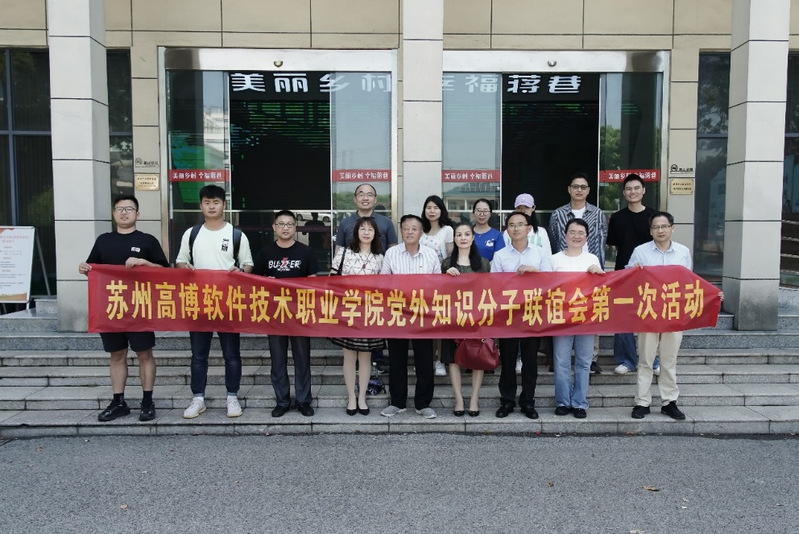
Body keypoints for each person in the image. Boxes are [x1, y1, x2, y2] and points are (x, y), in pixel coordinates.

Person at [78, 194, 169, 422]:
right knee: (117, 354)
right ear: (113, 213)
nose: (124, 213)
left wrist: (145, 263)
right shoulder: (103, 240)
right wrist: (84, 268)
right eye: (119, 209)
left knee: (144, 354)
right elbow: (93, 268)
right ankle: (118, 401)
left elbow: (165, 273)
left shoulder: (147, 241)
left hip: (139, 307)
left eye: (129, 209)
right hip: (111, 307)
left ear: (138, 214)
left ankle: (147, 401)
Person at [627, 211, 723, 420]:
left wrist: (712, 294)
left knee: (668, 360)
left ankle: (669, 402)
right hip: (649, 313)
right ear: (650, 231)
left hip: (674, 313)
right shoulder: (640, 251)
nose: (660, 230)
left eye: (664, 226)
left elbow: (690, 281)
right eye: (656, 227)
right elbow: (627, 279)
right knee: (645, 360)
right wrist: (633, 270)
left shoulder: (682, 252)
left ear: (672, 228)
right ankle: (642, 402)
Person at [176, 184, 254, 419]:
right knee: (199, 355)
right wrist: (185, 267)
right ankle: (198, 398)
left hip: (228, 302)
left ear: (224, 205)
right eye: (207, 202)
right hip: (199, 301)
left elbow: (248, 265)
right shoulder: (191, 234)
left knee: (231, 354)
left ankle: (232, 397)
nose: (211, 206)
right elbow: (180, 261)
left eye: (216, 202)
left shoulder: (236, 235)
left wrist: (240, 271)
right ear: (201, 206)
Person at [253, 210, 320, 418]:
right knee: (277, 359)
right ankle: (282, 401)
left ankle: (303, 401)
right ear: (274, 227)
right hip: (275, 314)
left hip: (299, 312)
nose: (285, 228)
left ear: (295, 227)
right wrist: (267, 283)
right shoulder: (266, 252)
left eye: (289, 224)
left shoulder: (305, 251)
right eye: (281, 224)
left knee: (302, 359)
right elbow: (255, 282)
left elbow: (314, 281)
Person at [490, 211, 552, 419]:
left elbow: (551, 281)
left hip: (532, 314)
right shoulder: (500, 255)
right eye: (511, 225)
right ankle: (507, 401)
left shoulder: (540, 253)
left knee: (530, 361)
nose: (516, 228)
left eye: (520, 224)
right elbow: (494, 285)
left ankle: (528, 401)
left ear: (529, 228)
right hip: (508, 315)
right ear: (507, 230)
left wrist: (534, 272)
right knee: (507, 360)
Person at [379, 214, 440, 419]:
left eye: (415, 228)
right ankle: (397, 402)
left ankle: (423, 403)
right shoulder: (392, 253)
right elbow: (383, 283)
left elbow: (439, 285)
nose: (410, 232)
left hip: (424, 315)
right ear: (401, 231)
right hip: (397, 313)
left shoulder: (431, 254)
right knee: (397, 359)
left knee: (425, 360)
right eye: (406, 228)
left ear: (421, 232)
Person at [548, 172, 608, 374]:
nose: (579, 190)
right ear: (569, 189)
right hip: (564, 275)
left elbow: (601, 241)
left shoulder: (598, 214)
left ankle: (592, 358)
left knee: (590, 313)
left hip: (589, 272)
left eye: (583, 187)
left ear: (588, 190)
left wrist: (598, 269)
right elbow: (555, 241)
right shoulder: (558, 214)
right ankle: (558, 358)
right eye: (575, 186)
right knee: (563, 315)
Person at [328, 217, 384, 416]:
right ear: (356, 232)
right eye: (363, 229)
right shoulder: (344, 253)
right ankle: (351, 397)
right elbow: (332, 281)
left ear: (375, 234)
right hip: (348, 310)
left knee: (366, 356)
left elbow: (385, 287)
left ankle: (362, 398)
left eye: (370, 229)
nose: (366, 232)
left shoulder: (380, 258)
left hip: (369, 311)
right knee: (349, 355)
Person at [550, 219, 604, 419]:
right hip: (561, 318)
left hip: (585, 318)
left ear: (586, 237)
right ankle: (563, 401)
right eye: (572, 232)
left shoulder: (592, 258)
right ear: (565, 235)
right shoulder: (554, 259)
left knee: (584, 361)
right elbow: (545, 286)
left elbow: (601, 286)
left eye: (581, 233)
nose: (576, 236)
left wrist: (598, 273)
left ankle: (580, 402)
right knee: (561, 361)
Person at [607, 173, 659, 376]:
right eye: (629, 189)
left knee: (650, 317)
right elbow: (614, 245)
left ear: (644, 190)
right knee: (622, 317)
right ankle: (626, 360)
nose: (633, 192)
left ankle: (653, 360)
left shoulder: (654, 217)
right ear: (624, 192)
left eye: (636, 188)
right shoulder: (617, 218)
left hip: (650, 275)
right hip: (623, 274)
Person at [441, 222, 491, 417]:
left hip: (476, 318)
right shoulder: (447, 263)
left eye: (467, 234)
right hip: (452, 318)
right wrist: (446, 277)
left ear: (472, 237)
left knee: (477, 357)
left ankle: (474, 399)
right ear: (454, 238)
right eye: (459, 234)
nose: (463, 238)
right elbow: (438, 292)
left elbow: (489, 290)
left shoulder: (483, 263)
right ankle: (459, 399)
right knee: (453, 359)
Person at [503, 192, 553, 373]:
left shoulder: (541, 234)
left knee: (530, 345)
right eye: (519, 208)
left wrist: (535, 272)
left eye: (526, 208)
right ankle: (516, 360)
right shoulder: (506, 236)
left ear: (533, 209)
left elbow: (547, 265)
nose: (523, 210)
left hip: (534, 297)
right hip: (511, 298)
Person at [420, 194, 455, 377]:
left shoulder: (447, 230)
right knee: (423, 322)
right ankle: (425, 359)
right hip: (421, 284)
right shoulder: (419, 229)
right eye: (429, 207)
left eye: (435, 207)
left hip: (441, 283)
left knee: (439, 323)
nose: (432, 211)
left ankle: (439, 360)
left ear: (441, 210)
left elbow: (450, 256)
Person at [335, 183, 397, 253]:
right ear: (355, 199)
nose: (365, 198)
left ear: (375, 199)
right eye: (361, 195)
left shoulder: (386, 222)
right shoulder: (345, 223)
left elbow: (393, 247)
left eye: (369, 195)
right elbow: (339, 248)